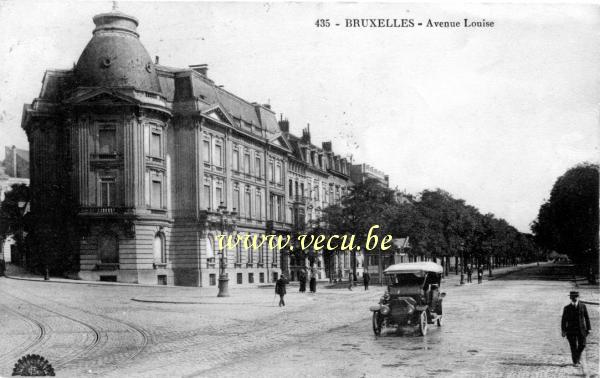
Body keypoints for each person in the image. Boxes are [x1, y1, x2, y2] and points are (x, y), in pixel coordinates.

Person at [562, 291, 591, 366]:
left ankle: (577, 357)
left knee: (583, 344)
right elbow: (564, 320)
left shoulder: (583, 306)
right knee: (573, 346)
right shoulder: (567, 308)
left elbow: (586, 318)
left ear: (578, 297)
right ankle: (575, 361)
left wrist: (589, 328)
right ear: (570, 298)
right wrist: (563, 330)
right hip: (570, 330)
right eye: (573, 297)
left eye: (576, 296)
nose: (574, 298)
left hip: (581, 330)